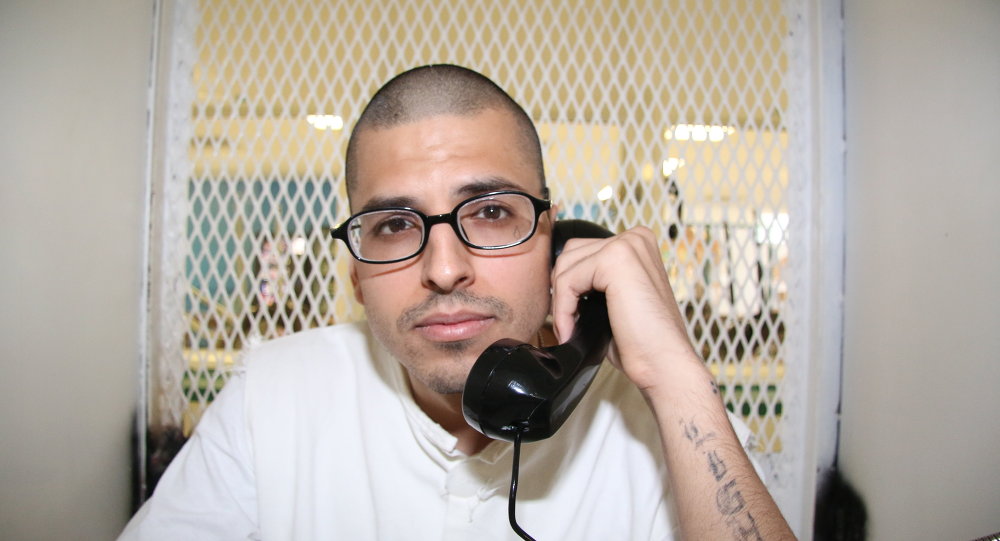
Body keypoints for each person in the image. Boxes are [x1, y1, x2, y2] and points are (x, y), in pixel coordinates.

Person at [120, 64, 795, 540]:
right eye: (392, 224)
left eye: (492, 211)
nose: (444, 268)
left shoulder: (656, 426)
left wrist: (678, 380)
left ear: (553, 245)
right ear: (355, 274)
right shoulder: (271, 396)